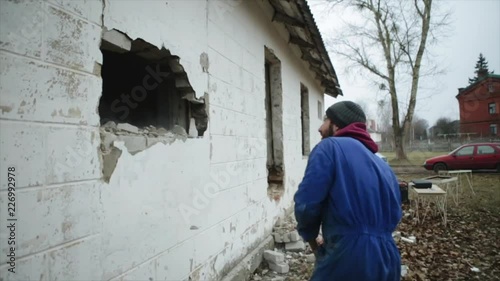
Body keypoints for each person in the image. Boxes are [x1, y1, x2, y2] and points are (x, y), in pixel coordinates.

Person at [294, 101, 402, 281]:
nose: (320, 128)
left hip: (349, 258)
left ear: (336, 125)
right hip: (388, 259)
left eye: (325, 120)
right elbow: (396, 213)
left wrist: (311, 239)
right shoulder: (382, 165)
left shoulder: (329, 147)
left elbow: (306, 205)